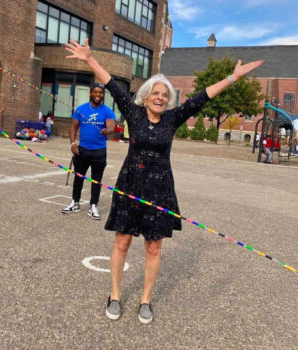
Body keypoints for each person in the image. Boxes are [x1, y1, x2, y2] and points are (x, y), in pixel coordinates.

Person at [65, 38, 263, 323]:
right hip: (130, 184)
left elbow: (202, 98)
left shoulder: (172, 119)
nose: (160, 97)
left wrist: (232, 77)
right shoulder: (133, 113)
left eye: (165, 95)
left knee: (154, 246)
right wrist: (89, 60)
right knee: (122, 242)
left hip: (160, 190)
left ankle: (145, 300)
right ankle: (115, 295)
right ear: (145, 97)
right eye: (155, 93)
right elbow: (111, 84)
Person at [62, 83, 116, 219]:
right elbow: (73, 127)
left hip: (99, 151)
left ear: (103, 95)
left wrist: (107, 130)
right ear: (90, 94)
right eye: (96, 92)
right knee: (78, 177)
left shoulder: (107, 111)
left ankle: (93, 206)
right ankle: (75, 202)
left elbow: (111, 126)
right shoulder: (81, 110)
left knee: (96, 180)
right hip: (82, 150)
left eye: (101, 93)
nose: (98, 95)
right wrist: (73, 143)